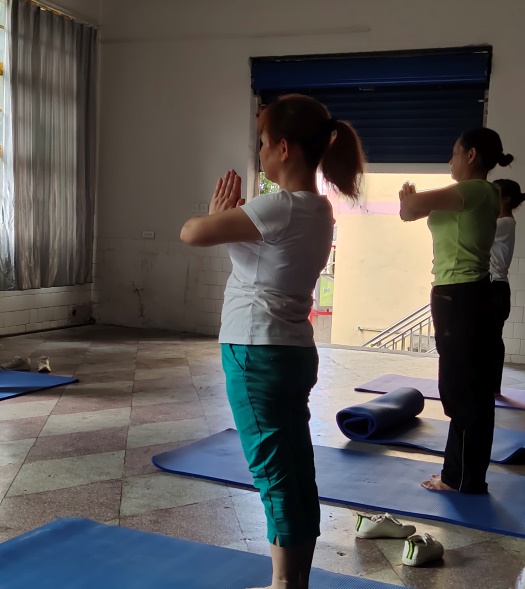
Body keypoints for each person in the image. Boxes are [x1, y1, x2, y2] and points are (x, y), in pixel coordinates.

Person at [179, 94, 365, 589]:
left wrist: (215, 214)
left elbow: (192, 232)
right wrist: (228, 219)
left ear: (284, 148)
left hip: (255, 352)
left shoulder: (277, 206)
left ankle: (283, 583)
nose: (259, 153)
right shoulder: (319, 209)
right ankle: (295, 579)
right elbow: (255, 250)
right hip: (292, 352)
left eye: (262, 143)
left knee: (274, 474)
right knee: (296, 468)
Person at [398, 127, 512, 494]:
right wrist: (410, 203)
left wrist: (410, 199)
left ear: (471, 155)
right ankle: (460, 475)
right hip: (461, 296)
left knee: (461, 390)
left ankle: (461, 479)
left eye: (454, 153)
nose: (450, 160)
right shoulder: (472, 195)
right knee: (466, 388)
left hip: (460, 296)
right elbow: (407, 213)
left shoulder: (476, 190)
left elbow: (411, 207)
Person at [489, 178, 525, 396]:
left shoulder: (504, 223)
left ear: (505, 199)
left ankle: (492, 387)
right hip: (495, 288)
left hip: (495, 288)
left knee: (493, 340)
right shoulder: (501, 222)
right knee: (491, 338)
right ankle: (490, 386)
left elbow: (475, 230)